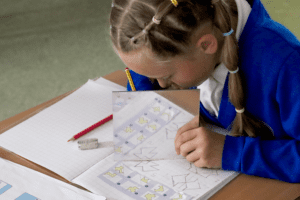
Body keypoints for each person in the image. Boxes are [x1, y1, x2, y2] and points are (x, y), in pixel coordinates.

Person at [109, 0, 300, 183]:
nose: (161, 84)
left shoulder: (285, 65)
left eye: (166, 76)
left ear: (206, 45)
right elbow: (143, 68)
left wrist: (231, 152)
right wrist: (147, 98)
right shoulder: (175, 38)